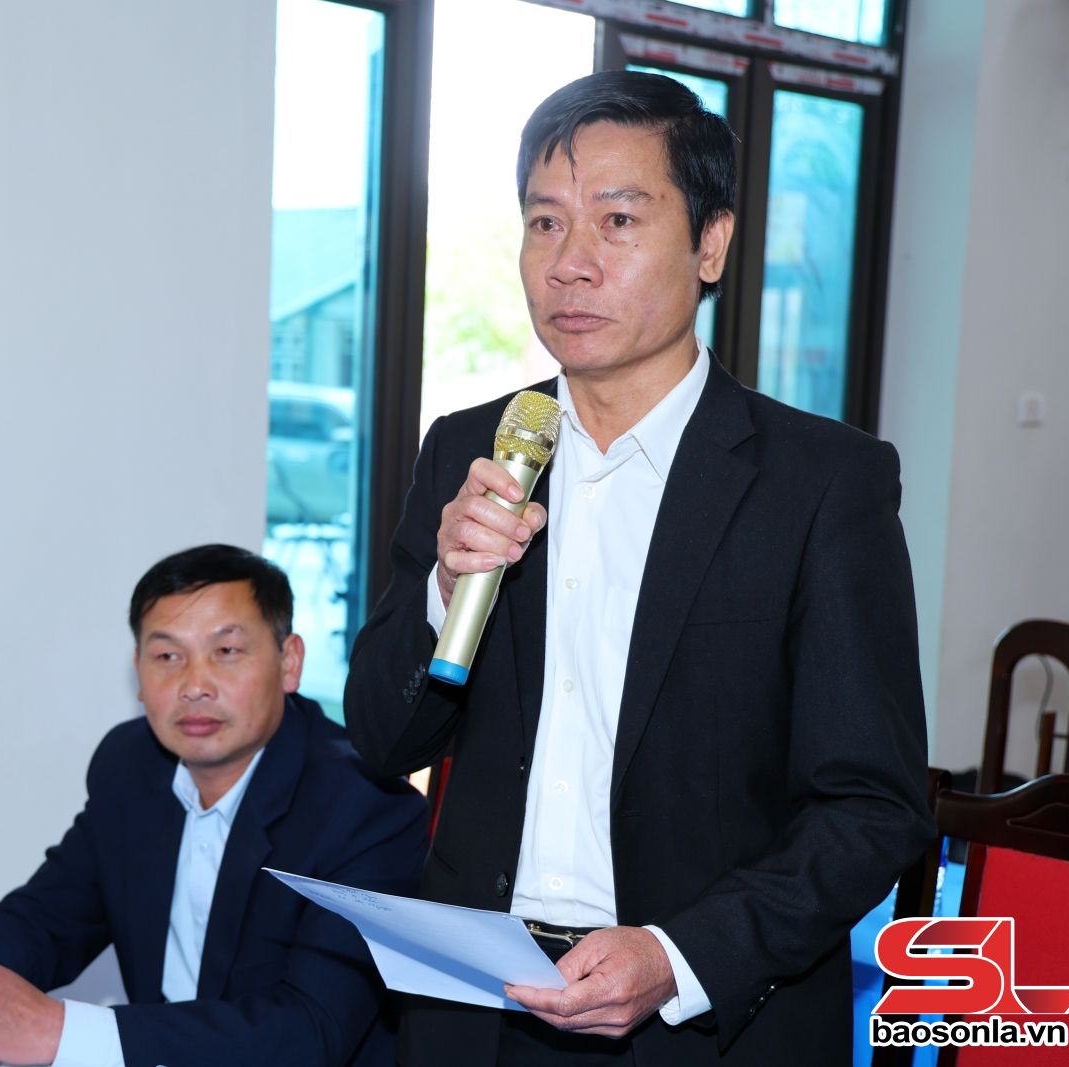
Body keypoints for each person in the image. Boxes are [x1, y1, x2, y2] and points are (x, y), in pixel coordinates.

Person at [343, 70, 933, 1066]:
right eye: (544, 223)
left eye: (617, 221)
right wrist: (446, 589)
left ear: (711, 244)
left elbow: (872, 806)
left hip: (701, 1017)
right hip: (476, 1006)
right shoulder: (470, 451)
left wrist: (678, 954)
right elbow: (379, 732)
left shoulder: (821, 482)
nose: (569, 264)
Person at [0, 544, 429, 1066]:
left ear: (289, 662)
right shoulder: (130, 766)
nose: (194, 686)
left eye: (226, 651)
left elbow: (310, 1031)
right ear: (138, 670)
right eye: (168, 656)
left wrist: (55, 1030)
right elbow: (51, 916)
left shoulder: (365, 805)